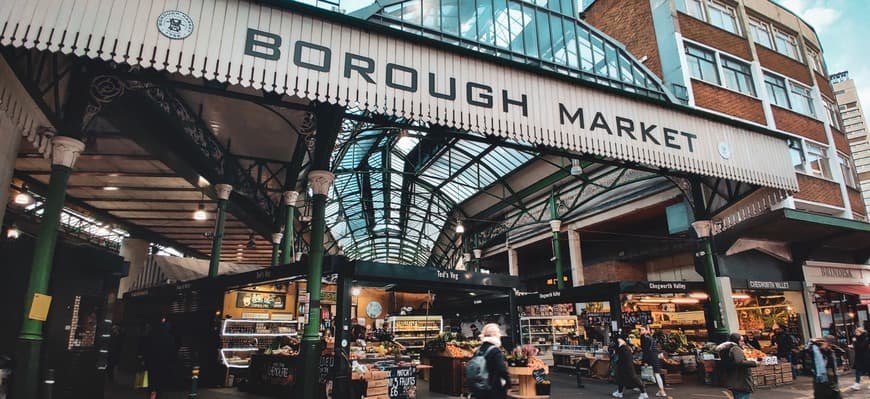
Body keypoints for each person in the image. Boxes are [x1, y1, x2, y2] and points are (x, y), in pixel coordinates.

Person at [471, 323, 510, 399]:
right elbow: (501, 369)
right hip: (494, 388)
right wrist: (508, 382)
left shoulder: (478, 350)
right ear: (494, 334)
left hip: (480, 388)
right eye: (498, 332)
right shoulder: (495, 351)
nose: (500, 335)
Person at [141, 319, 177, 399]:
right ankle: (156, 394)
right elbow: (172, 351)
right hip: (163, 363)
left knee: (152, 380)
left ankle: (152, 394)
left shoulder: (152, 335)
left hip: (153, 363)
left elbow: (147, 349)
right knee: (160, 382)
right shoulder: (169, 338)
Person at [716, 332, 758, 399]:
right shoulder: (736, 348)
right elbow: (740, 362)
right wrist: (754, 363)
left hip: (733, 379)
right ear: (736, 341)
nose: (743, 343)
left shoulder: (727, 349)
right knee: (743, 396)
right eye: (741, 341)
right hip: (740, 380)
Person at [640, 327, 667, 397]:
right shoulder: (651, 338)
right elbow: (654, 348)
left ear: (647, 330)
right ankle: (662, 391)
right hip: (655, 357)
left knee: (644, 373)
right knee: (657, 374)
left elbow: (646, 350)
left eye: (643, 330)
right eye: (640, 330)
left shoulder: (644, 338)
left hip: (649, 357)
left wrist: (645, 361)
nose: (641, 331)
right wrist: (659, 353)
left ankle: (642, 391)